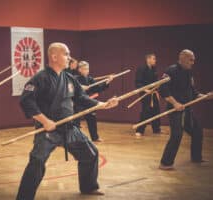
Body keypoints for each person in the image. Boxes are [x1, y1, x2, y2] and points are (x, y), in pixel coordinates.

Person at [16, 42, 119, 199]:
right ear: (54, 56)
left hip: (69, 127)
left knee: (90, 154)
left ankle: (88, 187)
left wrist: (103, 105)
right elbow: (26, 101)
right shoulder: (40, 78)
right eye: (66, 54)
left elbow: (81, 97)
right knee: (37, 162)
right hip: (49, 129)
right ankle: (24, 197)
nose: (69, 58)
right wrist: (44, 121)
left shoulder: (69, 78)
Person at [159, 49, 206, 170]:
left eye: (193, 60)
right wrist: (175, 103)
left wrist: (204, 96)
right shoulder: (171, 71)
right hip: (175, 109)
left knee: (197, 131)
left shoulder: (189, 72)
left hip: (187, 108)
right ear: (183, 58)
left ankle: (196, 157)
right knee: (177, 135)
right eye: (191, 59)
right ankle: (165, 163)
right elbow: (163, 90)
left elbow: (192, 91)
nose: (193, 62)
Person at [75, 61, 114, 142]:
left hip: (88, 102)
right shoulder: (75, 78)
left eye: (87, 69)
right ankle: (75, 138)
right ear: (79, 70)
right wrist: (80, 87)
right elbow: (72, 89)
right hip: (78, 103)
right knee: (76, 122)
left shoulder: (90, 79)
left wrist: (107, 82)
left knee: (92, 119)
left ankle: (95, 137)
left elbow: (97, 88)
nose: (86, 70)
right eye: (84, 69)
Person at [135, 53, 162, 137]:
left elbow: (155, 81)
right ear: (148, 59)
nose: (155, 60)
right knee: (146, 111)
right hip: (145, 93)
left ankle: (156, 129)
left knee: (156, 111)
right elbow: (138, 82)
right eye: (153, 59)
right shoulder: (141, 69)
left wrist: (157, 87)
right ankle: (140, 130)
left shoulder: (154, 69)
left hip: (153, 93)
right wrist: (146, 90)